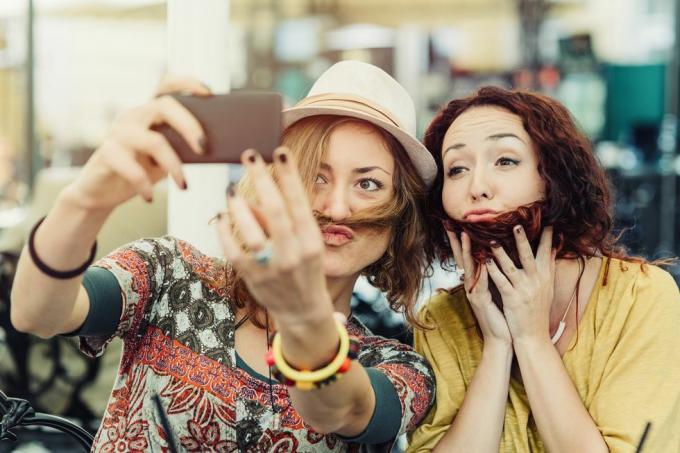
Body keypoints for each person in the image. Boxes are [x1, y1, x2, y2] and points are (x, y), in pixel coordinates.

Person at [10, 61, 436, 452]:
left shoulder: (398, 365)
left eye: (369, 185)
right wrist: (87, 201)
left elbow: (341, 409)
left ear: (402, 217)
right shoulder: (170, 275)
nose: (338, 207)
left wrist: (301, 315)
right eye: (316, 176)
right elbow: (38, 312)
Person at [407, 86, 680, 452]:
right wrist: (498, 347)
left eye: (505, 160)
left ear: (555, 177)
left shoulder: (641, 299)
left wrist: (532, 339)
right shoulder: (441, 320)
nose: (477, 187)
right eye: (456, 169)